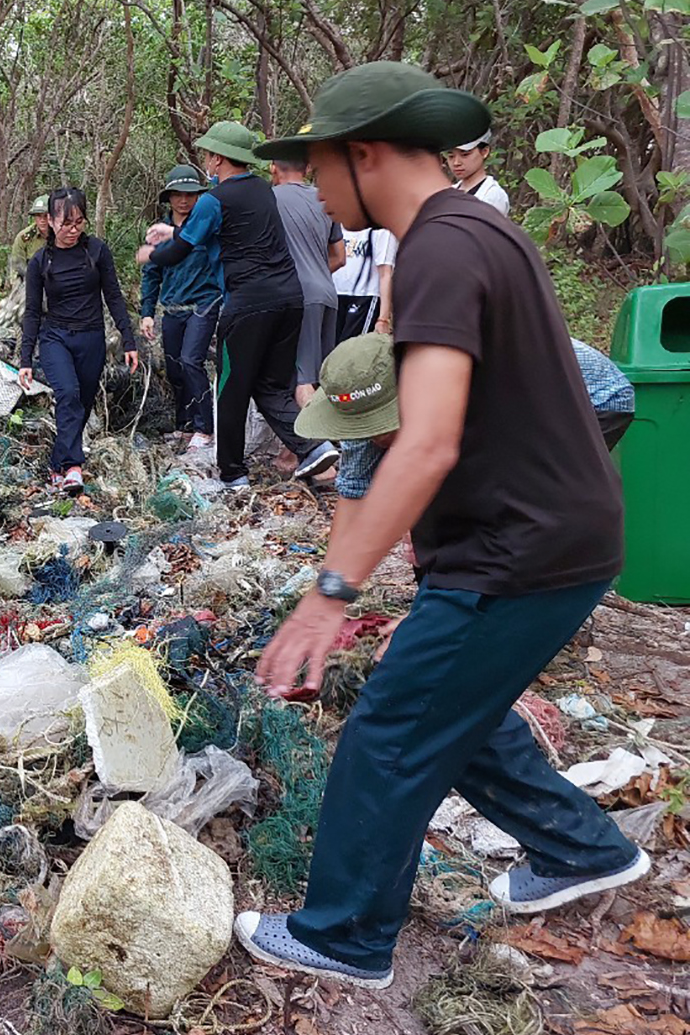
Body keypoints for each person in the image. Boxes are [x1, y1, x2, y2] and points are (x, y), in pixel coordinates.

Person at [239, 61, 646, 990]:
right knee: (447, 707)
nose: (309, 184)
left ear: (365, 151)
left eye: (316, 164)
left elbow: (422, 443)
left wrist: (327, 594)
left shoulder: (440, 244)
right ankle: (580, 849)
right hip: (554, 537)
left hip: (519, 549)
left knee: (389, 727)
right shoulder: (474, 230)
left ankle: (343, 933)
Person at [137, 121, 338, 489]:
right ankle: (313, 446)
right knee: (270, 386)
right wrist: (173, 234)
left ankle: (232, 474)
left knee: (231, 389)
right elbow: (207, 232)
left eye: (208, 156)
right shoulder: (265, 190)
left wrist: (151, 253)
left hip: (248, 304)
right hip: (290, 299)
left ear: (216, 158)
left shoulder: (216, 198)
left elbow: (182, 250)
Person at [301, 332, 637, 524]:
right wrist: (333, 586)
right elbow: (354, 491)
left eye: (380, 427)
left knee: (526, 505)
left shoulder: (462, 385)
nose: (373, 437)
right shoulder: (361, 396)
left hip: (593, 398)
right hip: (520, 403)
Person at [19, 187, 139, 495]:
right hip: (55, 337)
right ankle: (74, 466)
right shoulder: (40, 262)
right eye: (66, 222)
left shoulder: (97, 251)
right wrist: (25, 359)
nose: (73, 230)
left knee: (82, 404)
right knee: (68, 393)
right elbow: (32, 312)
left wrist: (129, 340)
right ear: (50, 220)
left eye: (79, 222)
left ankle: (57, 464)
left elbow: (113, 296)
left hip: (91, 337)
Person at [139, 165, 221, 452]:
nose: (184, 201)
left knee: (191, 360)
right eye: (177, 194)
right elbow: (151, 273)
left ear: (198, 196)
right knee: (174, 369)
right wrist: (147, 312)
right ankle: (184, 426)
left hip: (204, 302)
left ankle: (205, 428)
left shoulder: (206, 227)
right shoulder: (158, 231)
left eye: (190, 194)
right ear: (168, 197)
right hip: (172, 307)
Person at [270, 158, 346, 407]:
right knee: (323, 377)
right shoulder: (325, 199)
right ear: (308, 169)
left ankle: (316, 444)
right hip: (327, 293)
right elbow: (340, 257)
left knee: (302, 380)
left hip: (297, 297)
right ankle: (325, 439)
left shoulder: (271, 199)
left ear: (273, 168)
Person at [333, 228, 397, 340]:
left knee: (351, 345)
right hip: (336, 291)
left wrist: (383, 318)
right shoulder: (339, 223)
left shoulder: (381, 230)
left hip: (364, 295)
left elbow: (385, 274)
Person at [448, 129, 510, 215]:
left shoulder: (492, 195)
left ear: (484, 152)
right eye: (451, 156)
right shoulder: (450, 192)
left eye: (465, 155)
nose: (456, 163)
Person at [8, 195, 51, 284]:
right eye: (38, 216)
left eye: (45, 216)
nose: (42, 220)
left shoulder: (61, 235)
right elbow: (16, 267)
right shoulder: (24, 237)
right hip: (30, 283)